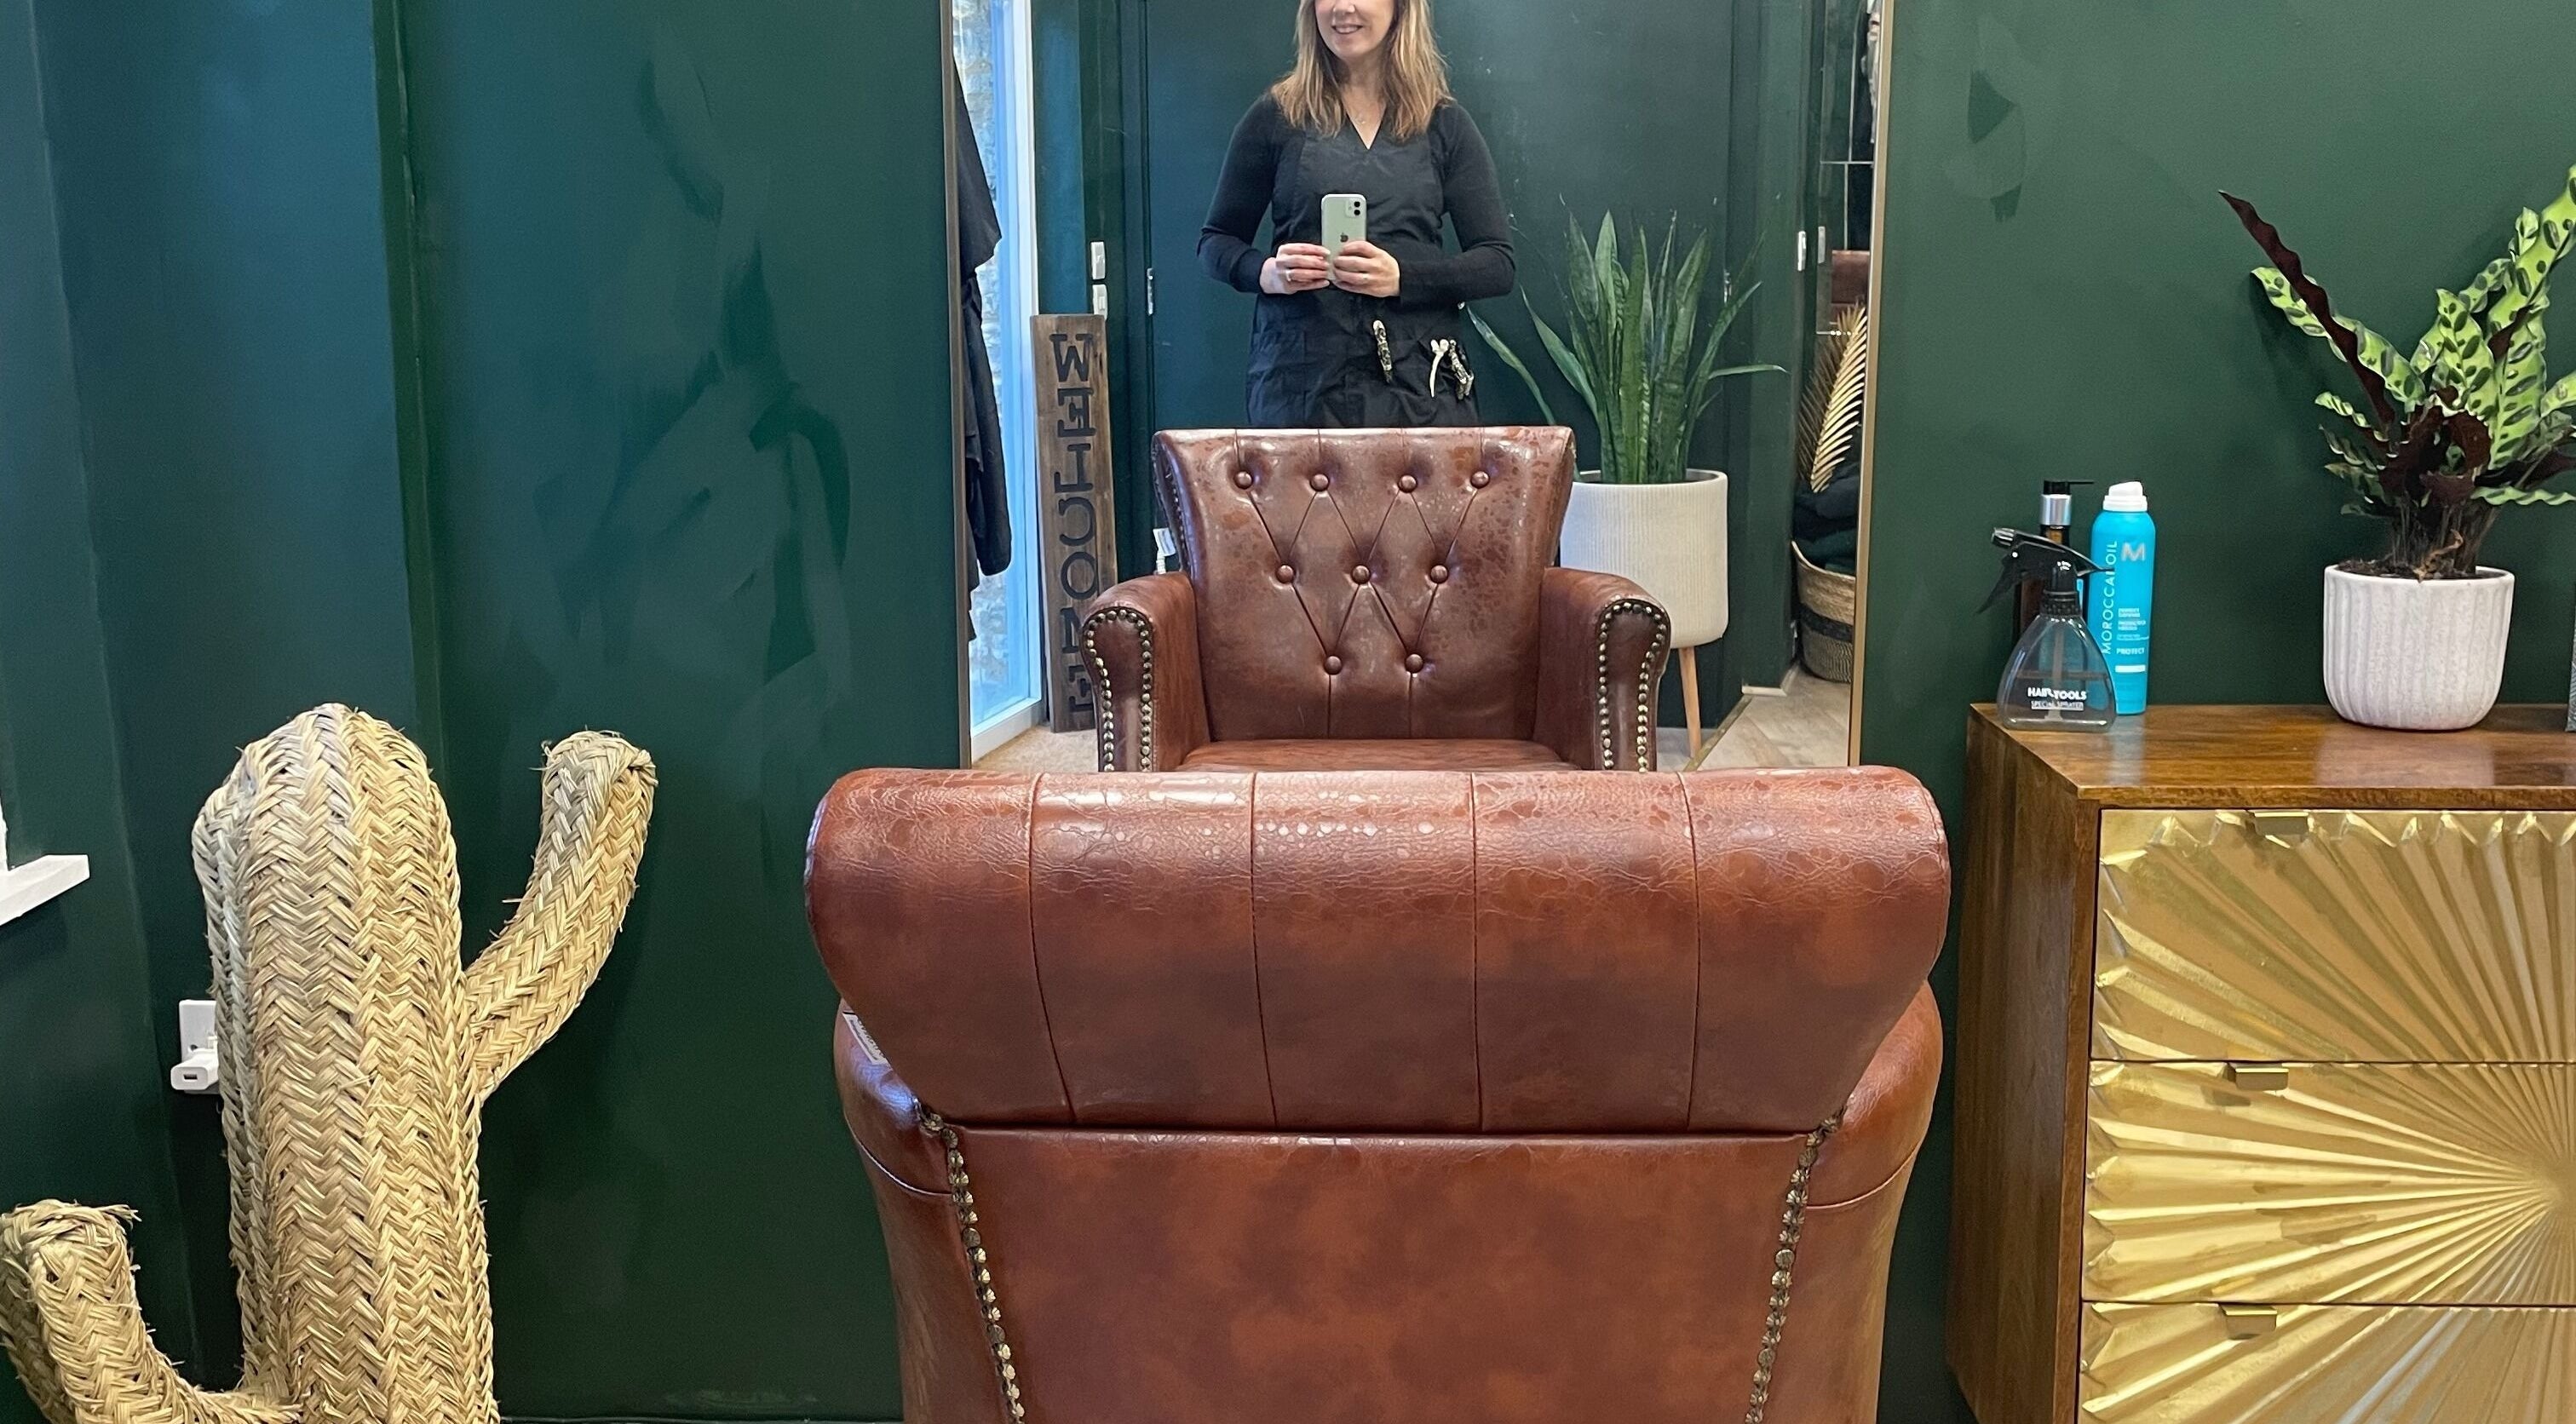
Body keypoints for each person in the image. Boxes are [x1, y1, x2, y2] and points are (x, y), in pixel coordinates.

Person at [1199, 0, 1514, 428]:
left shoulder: (1444, 124)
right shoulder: (1275, 118)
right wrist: (1267, 273)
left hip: (1419, 390)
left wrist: (1402, 278)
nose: (1343, 8)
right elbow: (1216, 241)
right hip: (1300, 389)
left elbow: (1497, 264)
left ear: (1401, 8)